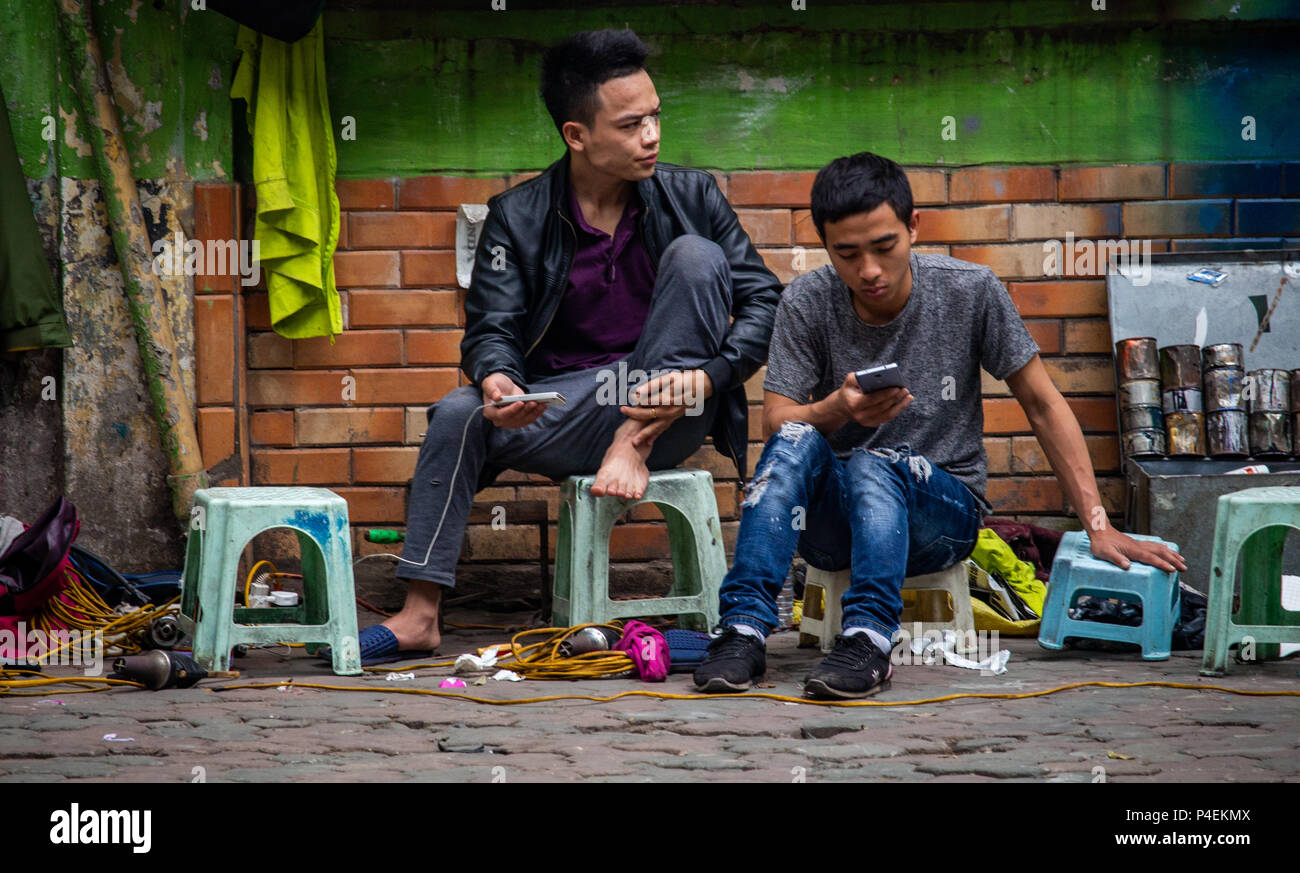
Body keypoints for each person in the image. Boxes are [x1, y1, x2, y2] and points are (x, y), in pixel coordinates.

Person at [353, 29, 781, 664]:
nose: (653, 135)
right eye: (632, 123)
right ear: (577, 134)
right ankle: (419, 615)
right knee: (456, 412)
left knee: (697, 256)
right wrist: (498, 379)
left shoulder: (694, 197)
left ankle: (630, 441)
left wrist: (712, 377)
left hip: (673, 405)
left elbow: (764, 299)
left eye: (656, 116)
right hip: (568, 406)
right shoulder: (518, 215)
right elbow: (491, 326)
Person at [693, 152, 1186, 699]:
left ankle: (868, 639)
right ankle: (741, 630)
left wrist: (1098, 524)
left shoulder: (969, 290)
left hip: (940, 521)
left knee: (878, 465)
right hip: (835, 530)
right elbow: (780, 424)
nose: (869, 271)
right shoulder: (808, 300)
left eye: (884, 247)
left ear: (913, 227)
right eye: (847, 254)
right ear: (827, 247)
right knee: (801, 439)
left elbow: (1043, 404)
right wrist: (839, 408)